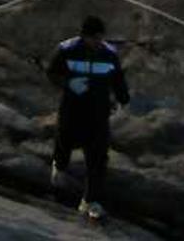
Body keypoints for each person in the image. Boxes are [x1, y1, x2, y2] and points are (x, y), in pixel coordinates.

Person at [47, 15, 129, 223]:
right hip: (72, 108)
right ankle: (59, 167)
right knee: (64, 141)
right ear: (84, 36)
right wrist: (69, 83)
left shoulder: (109, 54)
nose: (98, 42)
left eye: (100, 37)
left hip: (98, 111)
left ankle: (91, 201)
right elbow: (52, 73)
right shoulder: (66, 49)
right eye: (94, 38)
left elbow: (118, 79)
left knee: (98, 156)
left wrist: (123, 98)